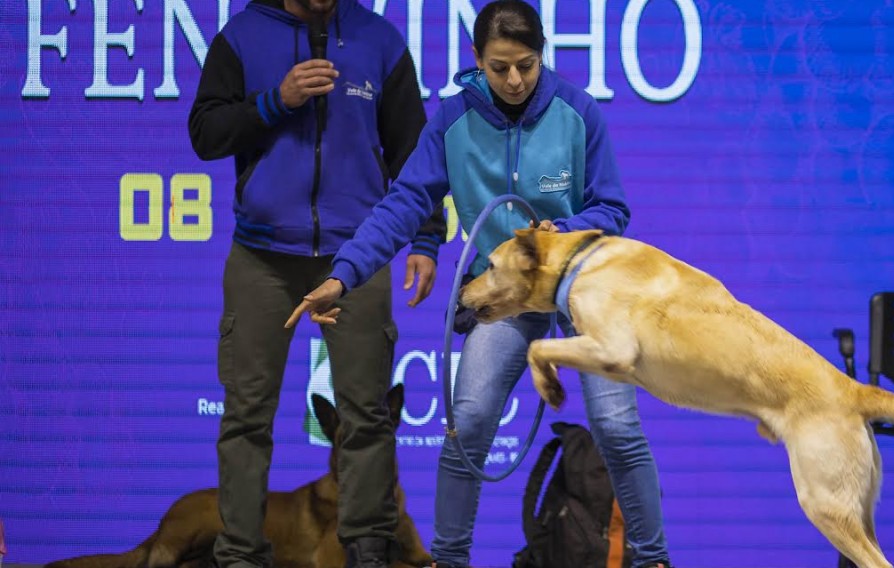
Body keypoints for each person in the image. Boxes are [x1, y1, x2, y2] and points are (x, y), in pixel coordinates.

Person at [285, 2, 674, 567]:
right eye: (499, 67)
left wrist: (557, 234)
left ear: (542, 55)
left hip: (586, 293)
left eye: (527, 65)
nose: (514, 80)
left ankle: (651, 558)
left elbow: (611, 208)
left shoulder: (577, 111)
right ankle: (448, 559)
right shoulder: (452, 120)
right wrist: (342, 276)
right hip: (504, 298)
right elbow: (404, 205)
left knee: (616, 425)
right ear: (476, 61)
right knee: (465, 425)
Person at [188, 0, 446, 566]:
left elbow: (416, 156)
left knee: (367, 414)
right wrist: (274, 101)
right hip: (262, 256)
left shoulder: (380, 40)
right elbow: (205, 134)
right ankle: (239, 553)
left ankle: (368, 550)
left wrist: (426, 240)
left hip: (359, 251)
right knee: (246, 415)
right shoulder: (242, 37)